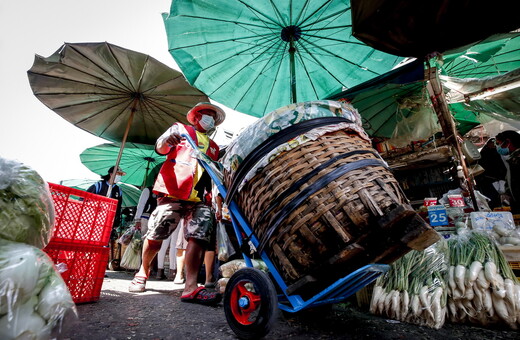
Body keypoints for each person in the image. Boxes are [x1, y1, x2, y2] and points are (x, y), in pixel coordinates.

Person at [128, 102, 225, 306]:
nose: (209, 119)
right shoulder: (180, 130)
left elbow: (215, 173)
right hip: (173, 191)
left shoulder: (215, 147)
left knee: (198, 237)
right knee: (156, 235)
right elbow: (161, 148)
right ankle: (142, 272)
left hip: (200, 198)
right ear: (196, 117)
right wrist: (166, 140)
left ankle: (190, 287)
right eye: (206, 115)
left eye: (212, 117)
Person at [87, 165, 125, 237]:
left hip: (109, 221)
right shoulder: (99, 185)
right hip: (95, 218)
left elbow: (118, 207)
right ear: (111, 174)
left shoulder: (118, 190)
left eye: (120, 175)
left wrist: (116, 222)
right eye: (118, 174)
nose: (119, 176)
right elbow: (86, 199)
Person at [475, 137, 507, 209]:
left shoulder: (497, 152)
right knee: (493, 201)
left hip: (497, 179)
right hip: (488, 181)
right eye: (493, 143)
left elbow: (501, 166)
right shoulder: (485, 153)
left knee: (501, 200)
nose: (494, 145)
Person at [495, 130, 520, 213]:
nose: (499, 148)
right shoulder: (513, 157)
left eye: (499, 144)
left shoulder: (517, 159)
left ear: (508, 142)